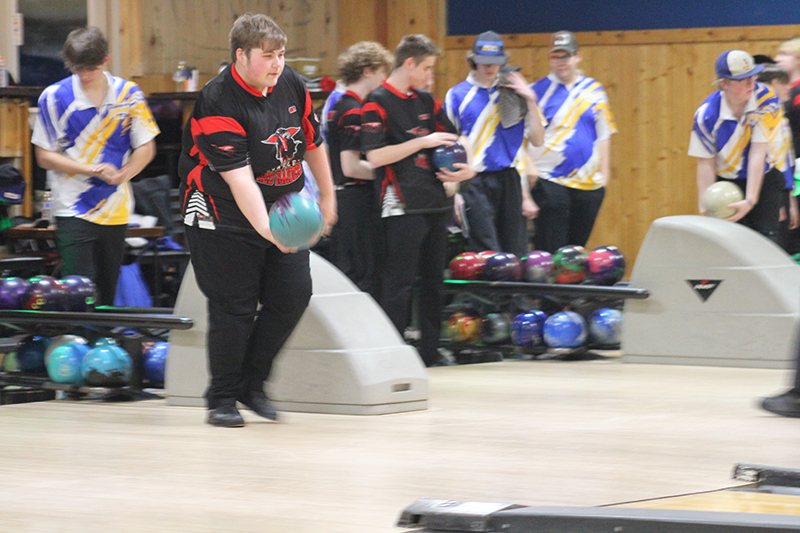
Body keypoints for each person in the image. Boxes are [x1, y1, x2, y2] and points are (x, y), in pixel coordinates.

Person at [178, 13, 337, 427]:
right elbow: (240, 181)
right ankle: (222, 398)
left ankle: (253, 384)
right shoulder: (217, 100)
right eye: (268, 56)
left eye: (282, 55)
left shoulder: (293, 84)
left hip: (281, 202)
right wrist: (272, 233)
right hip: (221, 213)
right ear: (241, 56)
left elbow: (313, 142)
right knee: (235, 306)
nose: (277, 64)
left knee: (293, 295)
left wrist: (328, 196)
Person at [361, 34, 475, 367]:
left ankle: (429, 349)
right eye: (426, 68)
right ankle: (393, 353)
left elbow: (454, 138)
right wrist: (422, 141)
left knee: (434, 281)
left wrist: (464, 171)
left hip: (435, 201)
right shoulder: (376, 102)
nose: (429, 76)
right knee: (399, 283)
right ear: (408, 63)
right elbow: (376, 156)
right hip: (401, 204)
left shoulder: (428, 102)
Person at [31, 27, 159, 305]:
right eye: (77, 68)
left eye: (90, 67)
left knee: (106, 291)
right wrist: (91, 170)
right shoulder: (53, 97)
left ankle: (100, 345)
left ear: (106, 60)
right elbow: (43, 155)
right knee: (79, 289)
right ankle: (75, 344)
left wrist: (125, 174)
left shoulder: (130, 94)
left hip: (116, 206)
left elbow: (146, 147)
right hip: (72, 206)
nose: (84, 74)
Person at [444, 31, 544, 259]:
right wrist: (455, 193)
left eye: (495, 63)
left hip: (508, 178)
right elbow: (449, 145)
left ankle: (517, 297)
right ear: (473, 60)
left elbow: (537, 139)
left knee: (516, 250)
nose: (489, 68)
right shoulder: (457, 95)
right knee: (487, 249)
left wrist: (530, 99)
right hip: (473, 179)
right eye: (484, 63)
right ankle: (492, 296)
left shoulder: (513, 95)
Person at [528, 31, 617, 254]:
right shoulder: (536, 92)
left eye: (565, 57)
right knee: (551, 248)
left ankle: (571, 290)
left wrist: (604, 177)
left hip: (588, 184)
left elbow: (604, 133)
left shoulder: (594, 90)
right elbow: (524, 139)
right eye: (555, 57)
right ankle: (546, 290)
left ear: (577, 56)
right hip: (550, 179)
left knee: (575, 251)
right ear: (549, 59)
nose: (561, 62)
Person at [689, 50, 784, 242]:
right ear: (724, 83)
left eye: (752, 76)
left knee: (766, 241)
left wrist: (750, 200)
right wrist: (705, 203)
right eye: (742, 79)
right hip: (726, 182)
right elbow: (706, 161)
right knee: (730, 244)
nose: (751, 83)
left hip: (764, 177)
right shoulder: (706, 115)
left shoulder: (766, 100)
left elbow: (758, 152)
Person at [325, 42, 392, 299]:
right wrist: (391, 173)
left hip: (345, 199)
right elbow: (351, 166)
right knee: (365, 274)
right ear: (368, 71)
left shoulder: (340, 105)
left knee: (353, 272)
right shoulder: (354, 110)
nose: (385, 80)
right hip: (356, 202)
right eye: (382, 72)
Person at [756, 65, 798, 251]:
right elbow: (770, 165)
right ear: (766, 86)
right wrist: (776, 203)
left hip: (782, 192)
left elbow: (786, 162)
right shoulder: (763, 120)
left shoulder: (782, 119)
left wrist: (790, 200)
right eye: (781, 83)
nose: (787, 87)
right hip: (769, 193)